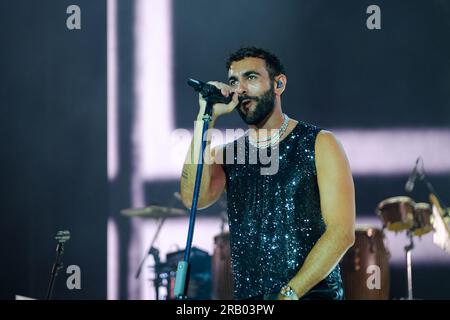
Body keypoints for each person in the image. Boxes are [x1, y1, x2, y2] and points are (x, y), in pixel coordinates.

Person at [180, 47, 355, 300]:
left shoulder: (319, 143)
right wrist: (205, 117)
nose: (240, 89)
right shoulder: (228, 154)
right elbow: (192, 198)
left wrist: (289, 293)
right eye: (233, 81)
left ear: (278, 84)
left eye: (250, 78)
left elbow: (341, 233)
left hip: (311, 295)